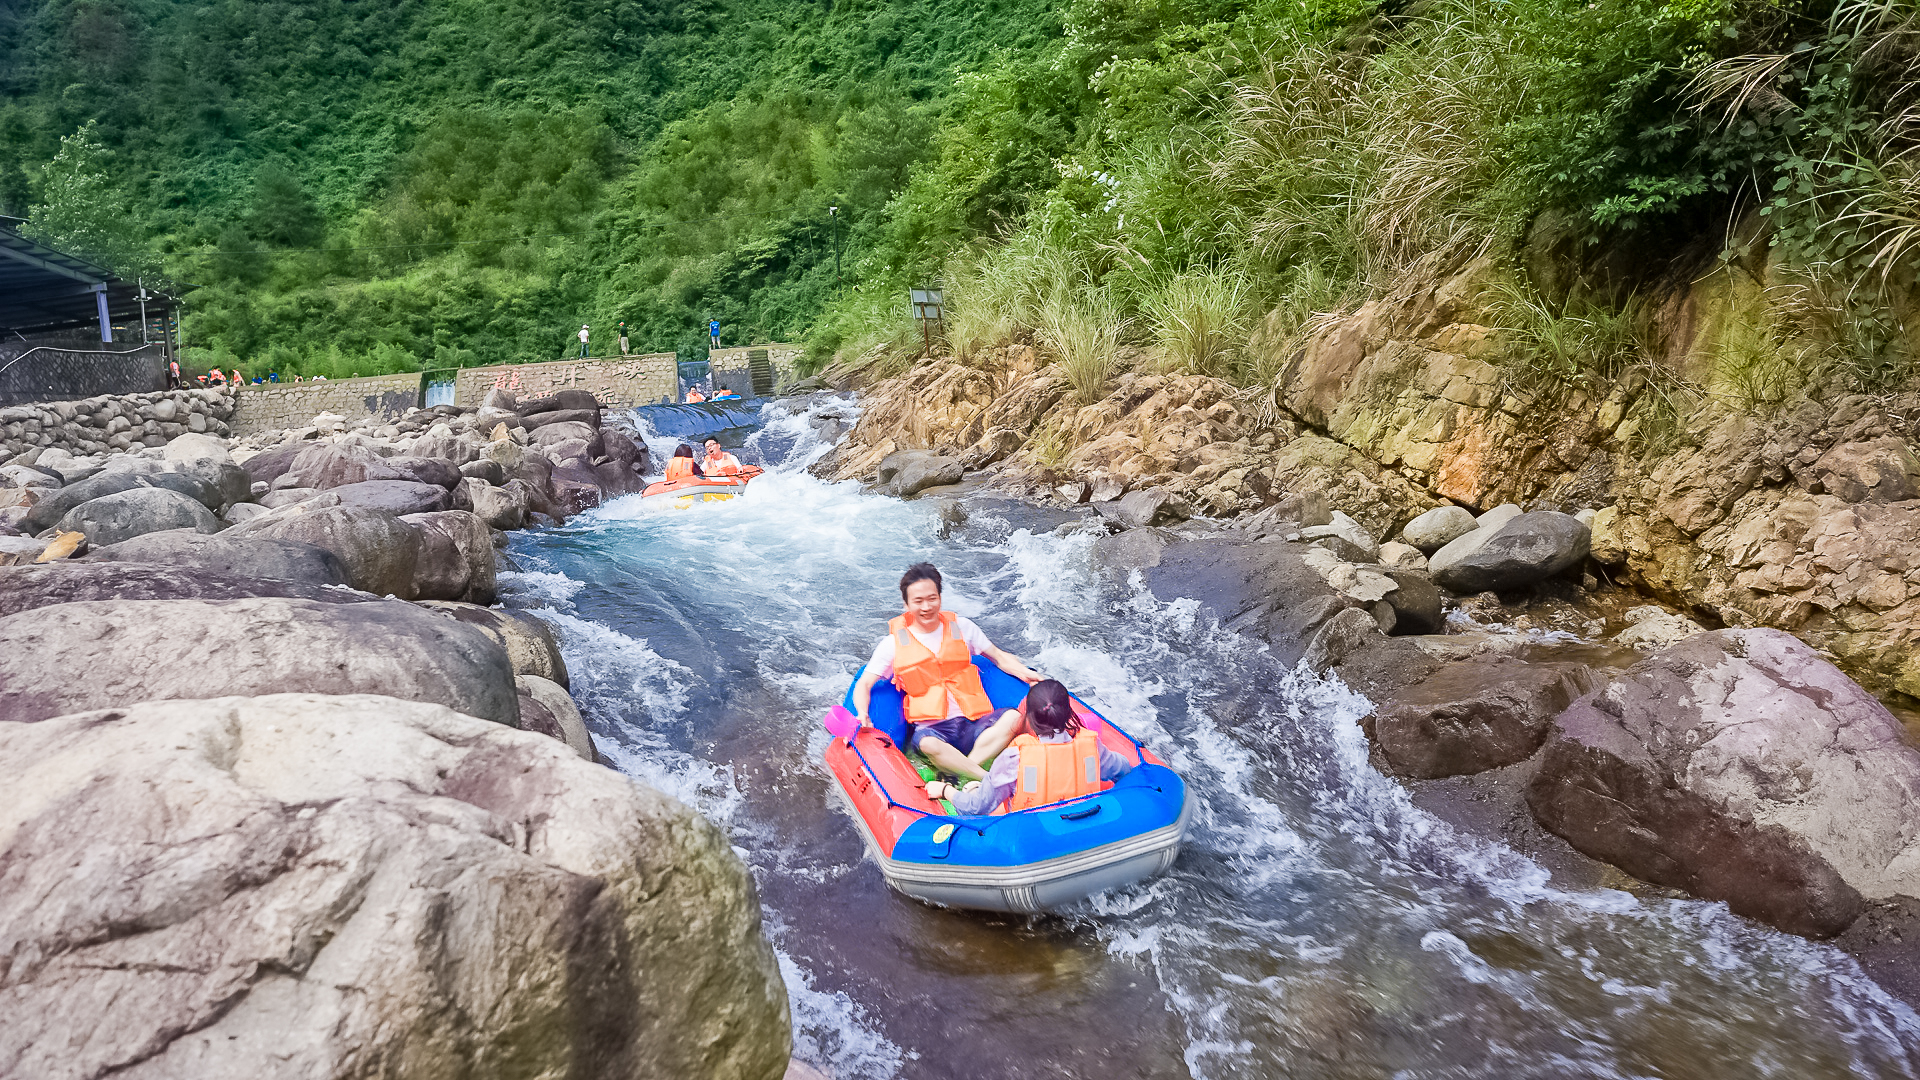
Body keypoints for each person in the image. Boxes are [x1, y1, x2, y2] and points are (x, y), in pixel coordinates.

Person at [851, 563, 1043, 783]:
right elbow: (864, 683)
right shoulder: (892, 645)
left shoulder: (963, 628)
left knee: (1014, 716)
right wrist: (862, 713)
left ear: (940, 597)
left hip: (975, 724)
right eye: (918, 601)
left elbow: (999, 657)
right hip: (934, 731)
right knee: (927, 744)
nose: (926, 607)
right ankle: (987, 780)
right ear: (906, 604)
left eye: (932, 598)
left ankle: (964, 768)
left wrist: (1029, 674)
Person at [927, 680, 1133, 813]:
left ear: (1029, 719)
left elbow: (976, 808)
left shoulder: (1014, 758)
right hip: (1086, 826)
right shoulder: (1092, 746)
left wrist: (945, 791)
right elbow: (1123, 769)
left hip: (1031, 839)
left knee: (973, 792)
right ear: (1070, 714)